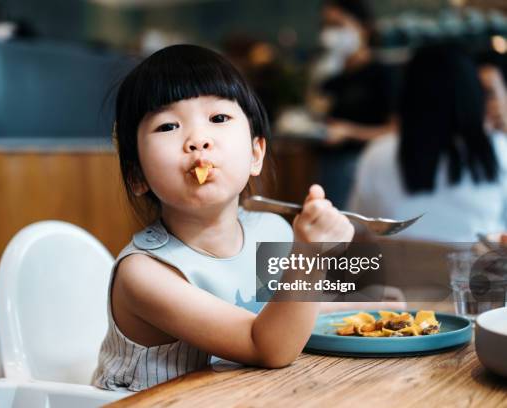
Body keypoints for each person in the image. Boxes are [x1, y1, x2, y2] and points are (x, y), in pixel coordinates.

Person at [90, 44, 408, 392]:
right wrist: (309, 255)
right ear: (137, 176)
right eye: (168, 126)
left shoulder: (268, 229)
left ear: (255, 154)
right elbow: (267, 345)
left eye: (218, 119)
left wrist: (367, 309)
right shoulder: (144, 274)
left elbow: (281, 315)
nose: (198, 141)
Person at [348, 45, 507, 242]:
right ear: (473, 95)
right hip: (474, 270)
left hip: (396, 271)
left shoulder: (379, 154)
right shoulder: (498, 150)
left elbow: (359, 232)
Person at [309, 0, 398, 208]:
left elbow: (395, 130)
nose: (330, 33)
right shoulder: (332, 76)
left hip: (364, 165)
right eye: (327, 26)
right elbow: (316, 111)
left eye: (338, 25)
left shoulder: (383, 74)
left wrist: (349, 132)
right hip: (328, 165)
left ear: (364, 28)